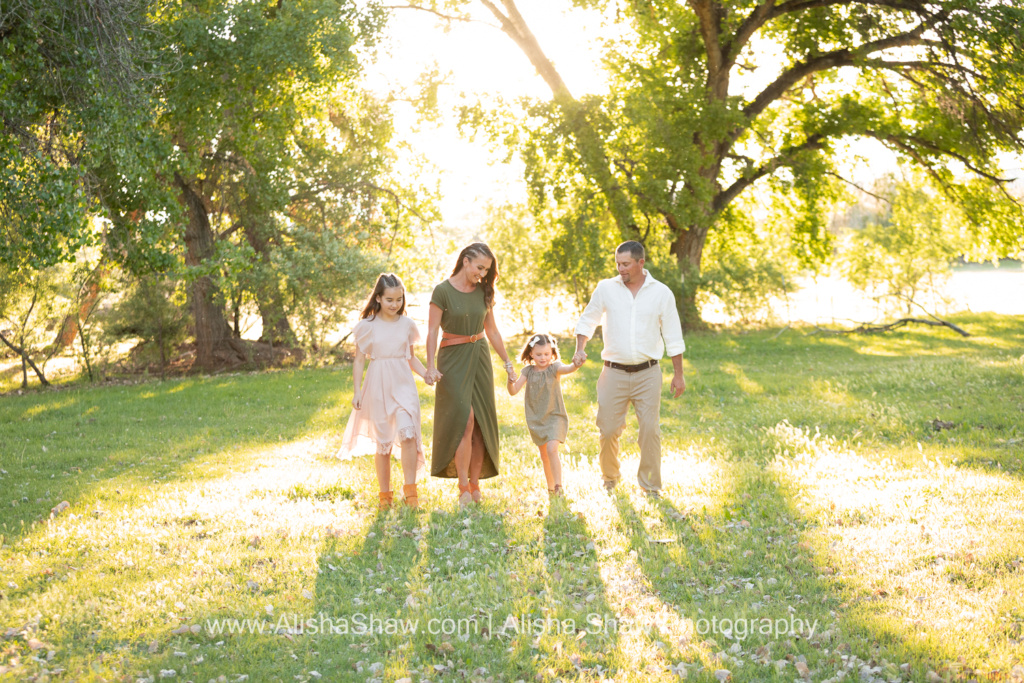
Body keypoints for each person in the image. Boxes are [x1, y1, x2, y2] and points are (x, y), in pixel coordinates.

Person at [572, 241, 686, 497]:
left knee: (649, 429)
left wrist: (678, 375)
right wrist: (580, 347)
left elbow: (673, 336)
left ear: (640, 263)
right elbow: (588, 318)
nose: (620, 269)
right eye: (618, 263)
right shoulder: (606, 289)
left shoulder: (661, 293)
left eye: (625, 264)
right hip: (613, 372)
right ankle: (610, 477)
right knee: (609, 428)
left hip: (648, 373)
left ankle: (650, 485)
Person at [424, 243, 517, 508]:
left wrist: (508, 362)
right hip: (452, 360)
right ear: (465, 261)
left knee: (480, 425)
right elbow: (431, 332)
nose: (482, 273)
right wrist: (430, 366)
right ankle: (462, 486)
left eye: (487, 269)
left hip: (480, 359)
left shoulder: (483, 292)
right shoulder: (442, 291)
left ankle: (475, 485)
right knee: (464, 420)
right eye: (479, 267)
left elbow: (493, 331)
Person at [338, 273, 432, 510]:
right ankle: (384, 496)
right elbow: (359, 360)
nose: (395, 304)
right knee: (384, 443)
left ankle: (411, 493)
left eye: (399, 299)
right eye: (390, 299)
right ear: (378, 298)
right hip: (378, 385)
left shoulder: (407, 325)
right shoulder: (366, 327)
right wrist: (357, 391)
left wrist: (427, 374)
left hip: (403, 385)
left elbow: (411, 358)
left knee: (408, 433)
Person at [507, 333, 582, 498]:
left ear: (552, 353)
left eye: (547, 354)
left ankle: (558, 487)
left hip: (555, 416)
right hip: (536, 419)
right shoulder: (527, 371)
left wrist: (576, 364)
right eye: (539, 354)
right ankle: (550, 489)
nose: (543, 358)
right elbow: (513, 391)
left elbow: (568, 369)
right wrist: (510, 379)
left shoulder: (554, 368)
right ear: (531, 353)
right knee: (544, 455)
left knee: (551, 449)